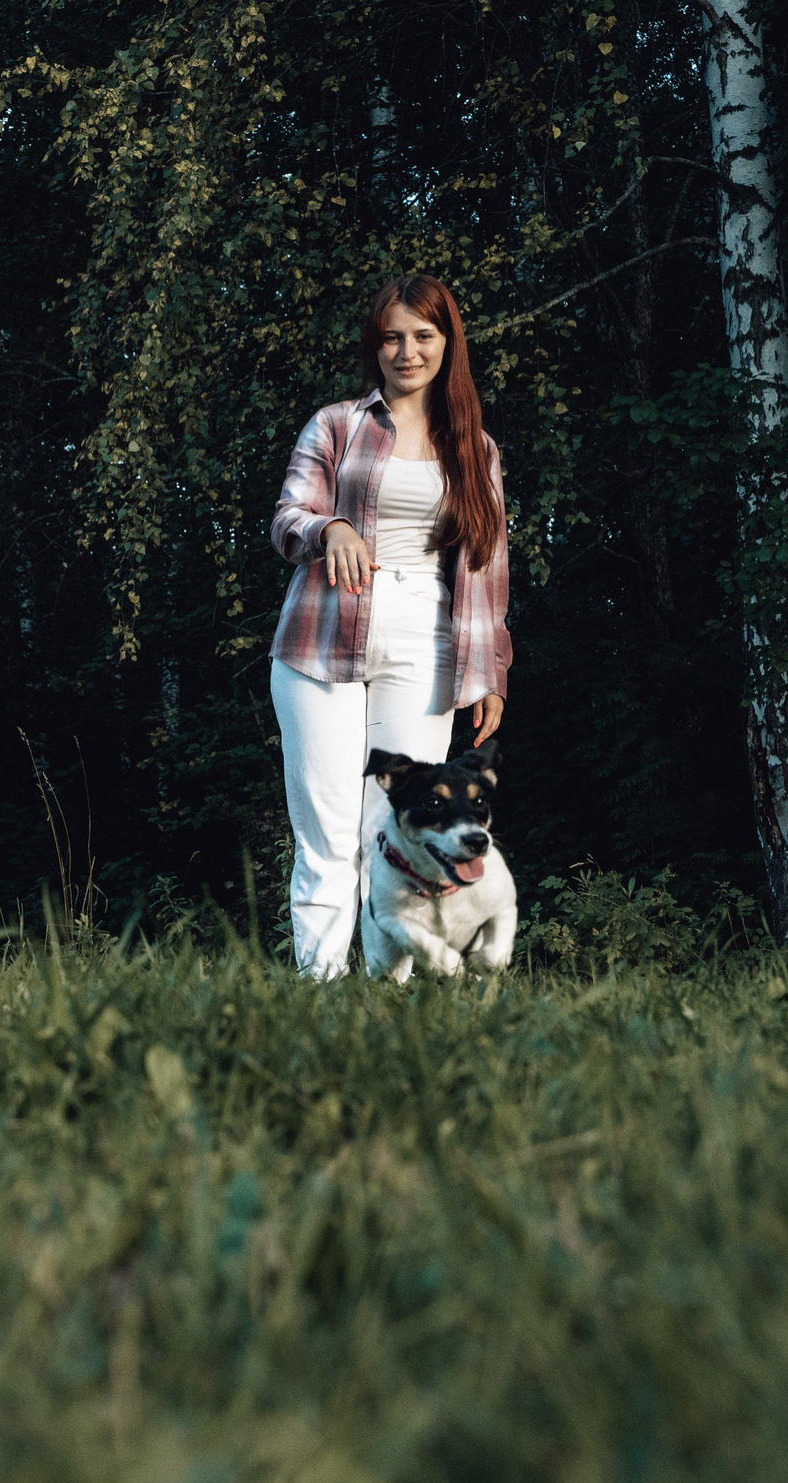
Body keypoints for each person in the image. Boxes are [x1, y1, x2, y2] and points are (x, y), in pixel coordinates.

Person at [267, 275, 512, 978]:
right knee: (329, 833)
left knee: (399, 832)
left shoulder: (476, 449)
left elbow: (489, 564)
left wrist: (490, 667)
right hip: (321, 636)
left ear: (446, 344)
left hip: (425, 641)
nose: (407, 351)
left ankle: (385, 1004)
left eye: (423, 336)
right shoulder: (337, 423)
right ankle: (319, 990)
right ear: (375, 345)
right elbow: (288, 515)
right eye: (393, 336)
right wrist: (330, 525)